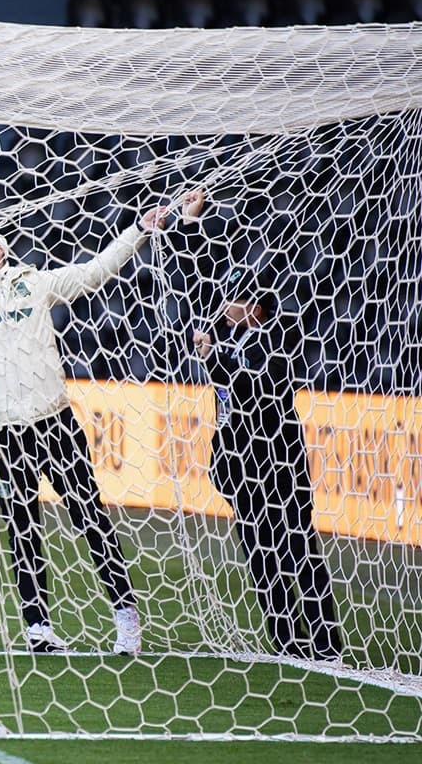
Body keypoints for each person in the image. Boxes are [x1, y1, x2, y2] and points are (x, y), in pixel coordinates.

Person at [0, 194, 197, 654]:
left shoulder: (35, 284)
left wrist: (139, 229)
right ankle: (38, 628)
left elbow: (96, 270)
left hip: (54, 419)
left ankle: (126, 616)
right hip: (3, 427)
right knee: (22, 526)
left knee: (89, 517)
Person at [192, 249, 344, 661]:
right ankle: (286, 639)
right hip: (239, 463)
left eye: (234, 302)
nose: (224, 308)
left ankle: (326, 641)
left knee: (297, 547)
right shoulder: (224, 334)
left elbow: (258, 391)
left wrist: (215, 360)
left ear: (256, 309)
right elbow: (196, 276)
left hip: (279, 462)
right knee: (259, 552)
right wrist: (189, 224)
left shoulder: (280, 339)